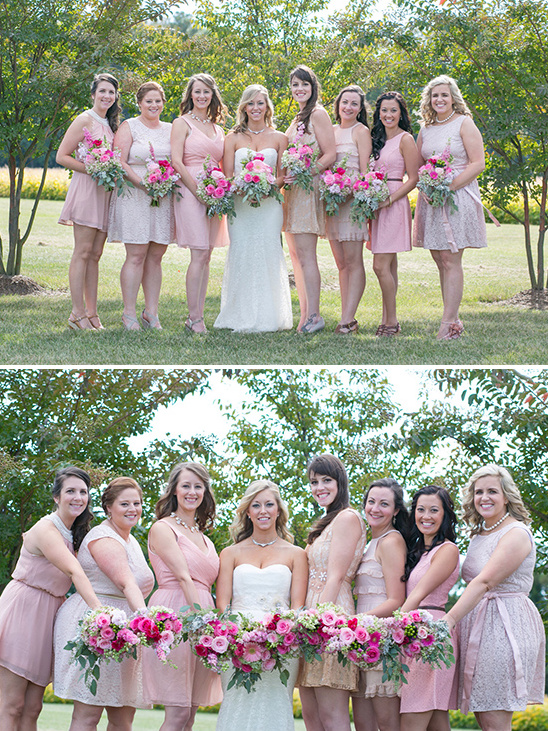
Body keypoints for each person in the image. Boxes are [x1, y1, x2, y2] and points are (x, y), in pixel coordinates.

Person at [443, 465, 545, 731]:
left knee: (494, 719)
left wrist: (449, 620)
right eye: (479, 492)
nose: (484, 497)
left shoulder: (516, 533)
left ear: (507, 496)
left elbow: (485, 581)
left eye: (492, 491)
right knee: (483, 717)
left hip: (504, 624)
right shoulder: (478, 535)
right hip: (478, 625)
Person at [0, 466, 100, 731]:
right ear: (56, 497)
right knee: (11, 705)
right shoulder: (46, 528)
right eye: (70, 491)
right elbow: (73, 570)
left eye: (83, 492)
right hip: (24, 610)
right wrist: (101, 614)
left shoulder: (76, 534)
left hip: (50, 616)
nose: (78, 497)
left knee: (33, 708)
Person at [54, 477, 154, 731]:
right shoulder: (103, 537)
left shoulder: (130, 540)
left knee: (123, 718)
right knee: (88, 714)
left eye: (137, 503)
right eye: (125, 504)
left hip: (126, 627)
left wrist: (138, 623)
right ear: (108, 507)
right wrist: (148, 622)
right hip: (97, 624)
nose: (133, 509)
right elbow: (126, 583)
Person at [215, 480, 308, 731]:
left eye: (269, 504)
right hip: (235, 644)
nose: (263, 510)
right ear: (248, 512)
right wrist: (235, 637)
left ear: (279, 510)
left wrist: (277, 636)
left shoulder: (296, 554)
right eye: (256, 505)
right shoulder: (230, 553)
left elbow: (297, 607)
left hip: (282, 645)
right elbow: (223, 605)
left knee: (275, 707)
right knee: (236, 705)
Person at [143, 463, 222, 731]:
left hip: (203, 611)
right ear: (174, 490)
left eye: (198, 486)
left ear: (205, 492)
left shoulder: (205, 539)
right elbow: (184, 576)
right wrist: (201, 622)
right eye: (186, 485)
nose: (192, 492)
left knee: (189, 714)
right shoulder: (164, 528)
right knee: (177, 713)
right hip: (176, 614)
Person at [413, 75, 487, 341]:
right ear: (429, 100)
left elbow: (478, 163)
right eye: (435, 96)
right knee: (438, 258)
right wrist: (426, 186)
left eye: (444, 95)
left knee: (451, 258)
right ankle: (454, 320)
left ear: (453, 97)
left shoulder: (464, 124)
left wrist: (449, 187)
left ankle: (447, 324)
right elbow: (418, 164)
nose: (439, 100)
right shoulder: (426, 129)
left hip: (458, 196)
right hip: (432, 198)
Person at [214, 84, 292, 332]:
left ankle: (270, 316)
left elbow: (282, 177)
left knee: (268, 252)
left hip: (269, 207)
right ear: (244, 107)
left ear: (267, 107)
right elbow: (227, 176)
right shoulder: (233, 138)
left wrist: (266, 185)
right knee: (242, 252)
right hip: (241, 206)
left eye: (260, 103)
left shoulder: (280, 138)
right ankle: (238, 313)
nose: (256, 108)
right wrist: (244, 184)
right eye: (251, 103)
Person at [299, 454, 366, 731]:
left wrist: (316, 623)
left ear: (340, 482)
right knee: (312, 717)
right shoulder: (325, 522)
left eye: (326, 480)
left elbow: (336, 576)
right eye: (314, 482)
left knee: (332, 714)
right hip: (309, 615)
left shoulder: (348, 518)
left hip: (331, 616)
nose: (319, 487)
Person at [108, 81, 175, 331]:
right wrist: (142, 184)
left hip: (163, 196)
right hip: (135, 195)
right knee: (136, 255)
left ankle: (151, 313)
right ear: (139, 103)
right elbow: (120, 160)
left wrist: (165, 181)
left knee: (156, 257)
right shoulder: (129, 126)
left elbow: (176, 159)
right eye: (149, 101)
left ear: (163, 103)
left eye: (158, 101)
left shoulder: (170, 129)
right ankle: (128, 314)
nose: (154, 105)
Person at [57, 73, 121, 330]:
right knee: (82, 252)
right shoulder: (84, 119)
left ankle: (93, 314)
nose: (107, 96)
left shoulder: (111, 123)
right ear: (93, 94)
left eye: (111, 92)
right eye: (102, 91)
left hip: (104, 193)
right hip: (86, 190)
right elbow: (62, 156)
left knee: (95, 254)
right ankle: (76, 314)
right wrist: (92, 168)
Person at [171, 73, 229, 334]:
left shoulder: (219, 129)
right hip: (190, 189)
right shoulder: (181, 123)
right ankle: (194, 318)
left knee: (207, 255)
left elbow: (223, 164)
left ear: (213, 95)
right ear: (190, 95)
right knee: (198, 253)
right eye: (197, 92)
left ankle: (198, 316)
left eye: (206, 92)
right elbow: (176, 161)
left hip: (214, 192)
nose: (202, 96)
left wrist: (219, 191)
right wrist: (197, 192)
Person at [399, 486, 460, 731]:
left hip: (430, 633)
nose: (426, 516)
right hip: (414, 630)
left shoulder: (447, 550)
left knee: (413, 719)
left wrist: (392, 626)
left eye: (434, 510)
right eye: (420, 509)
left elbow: (418, 594)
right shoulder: (418, 553)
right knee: (436, 722)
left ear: (445, 514)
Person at [351, 478, 409, 731]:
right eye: (371, 502)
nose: (375, 508)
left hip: (381, 639)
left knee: (386, 723)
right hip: (359, 638)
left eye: (384, 504)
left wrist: (355, 623)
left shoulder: (392, 541)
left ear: (396, 510)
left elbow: (397, 600)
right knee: (363, 723)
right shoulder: (367, 545)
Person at [283, 66, 336, 334]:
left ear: (313, 86)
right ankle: (305, 315)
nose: (299, 89)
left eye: (304, 84)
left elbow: (330, 155)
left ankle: (315, 315)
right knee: (295, 256)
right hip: (292, 193)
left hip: (307, 190)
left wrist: (308, 171)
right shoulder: (298, 117)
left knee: (306, 256)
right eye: (294, 85)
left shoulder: (318, 113)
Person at [369, 92, 419, 337]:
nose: (388, 115)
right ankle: (386, 318)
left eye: (393, 110)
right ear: (378, 113)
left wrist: (389, 199)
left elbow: (415, 178)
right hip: (375, 205)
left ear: (401, 113)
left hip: (393, 203)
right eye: (384, 110)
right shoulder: (375, 139)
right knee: (389, 266)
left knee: (379, 266)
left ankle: (392, 321)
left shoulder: (406, 139)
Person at [326, 85, 371, 334]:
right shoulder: (331, 131)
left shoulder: (360, 131)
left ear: (360, 108)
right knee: (341, 263)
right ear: (338, 104)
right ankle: (345, 316)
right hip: (333, 203)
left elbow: (364, 173)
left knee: (354, 262)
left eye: (354, 103)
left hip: (352, 203)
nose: (348, 107)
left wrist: (348, 189)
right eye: (345, 102)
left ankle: (349, 319)